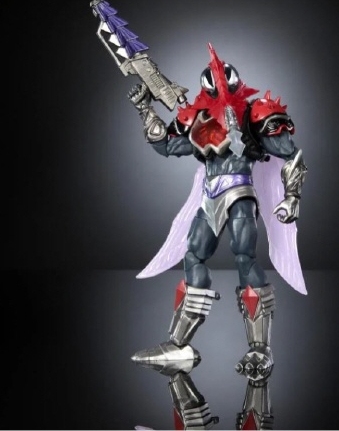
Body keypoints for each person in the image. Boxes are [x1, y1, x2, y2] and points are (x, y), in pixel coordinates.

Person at [129, 44, 307, 379]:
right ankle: (179, 345)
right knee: (194, 256)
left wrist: (291, 197)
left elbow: (291, 154)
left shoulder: (255, 113)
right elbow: (166, 145)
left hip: (240, 192)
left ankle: (260, 349)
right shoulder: (198, 118)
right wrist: (145, 108)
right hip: (210, 196)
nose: (222, 91)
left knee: (245, 258)